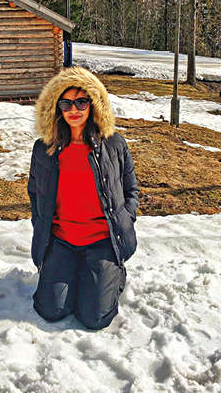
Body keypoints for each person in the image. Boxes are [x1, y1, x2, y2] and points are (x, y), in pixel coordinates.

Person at [27, 66, 139, 330]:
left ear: (93, 104)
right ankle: (72, 272)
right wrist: (41, 224)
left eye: (81, 102)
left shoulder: (114, 144)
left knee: (94, 318)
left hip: (102, 242)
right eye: (66, 103)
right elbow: (34, 192)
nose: (73, 110)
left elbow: (131, 189)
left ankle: (114, 272)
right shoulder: (44, 149)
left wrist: (126, 218)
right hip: (62, 241)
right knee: (50, 309)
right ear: (56, 107)